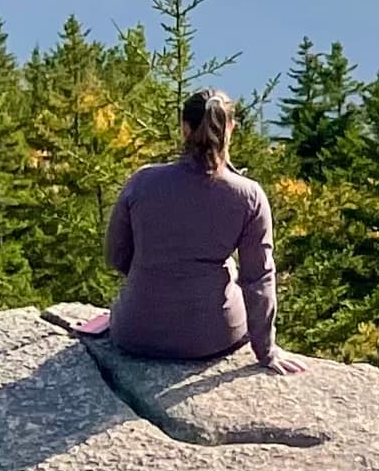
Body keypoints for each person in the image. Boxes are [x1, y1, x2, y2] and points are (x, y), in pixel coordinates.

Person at [85, 88, 304, 371]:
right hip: (211, 337)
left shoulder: (142, 182)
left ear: (184, 128)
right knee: (233, 273)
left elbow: (116, 255)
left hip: (135, 332)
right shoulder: (248, 196)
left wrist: (156, 279)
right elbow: (259, 279)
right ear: (231, 128)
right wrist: (267, 351)